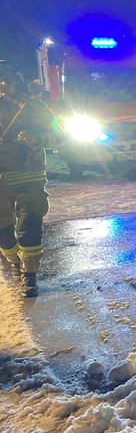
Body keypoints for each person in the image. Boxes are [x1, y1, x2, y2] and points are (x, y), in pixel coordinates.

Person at [0, 61, 61, 297]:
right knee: (3, 231)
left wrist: (37, 138)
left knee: (30, 224)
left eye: (8, 79)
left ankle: (30, 274)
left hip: (30, 176)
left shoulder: (34, 107)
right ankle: (14, 261)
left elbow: (58, 136)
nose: (4, 84)